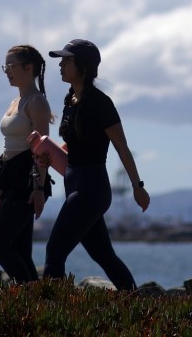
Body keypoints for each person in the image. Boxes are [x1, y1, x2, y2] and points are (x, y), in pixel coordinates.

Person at [42, 38, 150, 290]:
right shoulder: (70, 100)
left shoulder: (100, 103)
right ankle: (134, 301)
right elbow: (77, 145)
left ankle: (49, 306)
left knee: (54, 251)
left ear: (83, 66)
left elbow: (122, 147)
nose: (60, 65)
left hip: (91, 190)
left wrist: (138, 186)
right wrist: (51, 153)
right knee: (103, 255)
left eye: (67, 61)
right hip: (74, 185)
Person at [0, 44, 53, 283]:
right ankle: (38, 298)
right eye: (5, 67)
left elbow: (42, 149)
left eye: (11, 66)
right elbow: (9, 150)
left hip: (27, 182)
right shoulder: (16, 101)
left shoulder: (37, 102)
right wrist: (0, 188)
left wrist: (39, 188)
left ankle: (31, 294)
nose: (7, 71)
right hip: (10, 180)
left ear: (28, 68)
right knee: (20, 250)